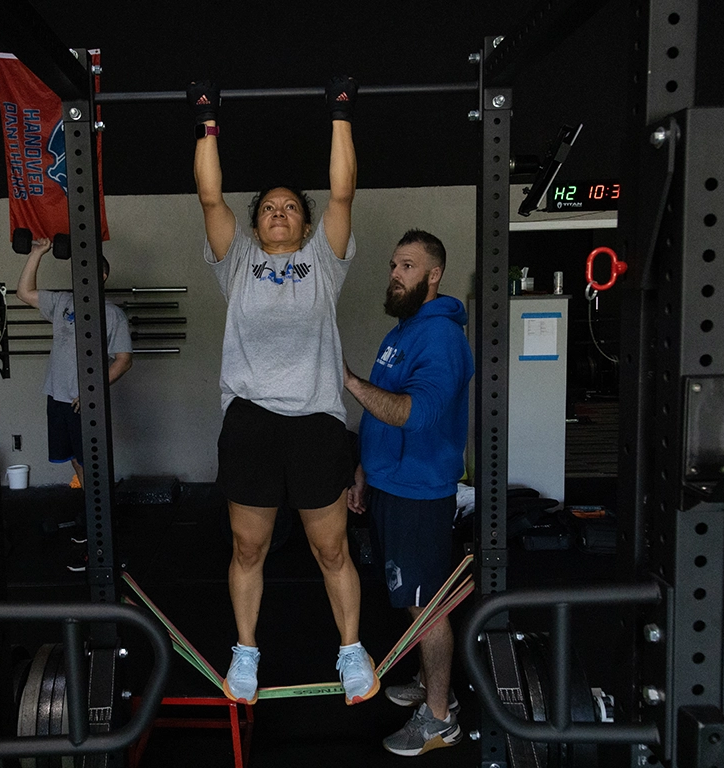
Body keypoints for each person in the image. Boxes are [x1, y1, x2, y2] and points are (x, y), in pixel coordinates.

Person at [189, 76, 377, 706]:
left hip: (316, 422)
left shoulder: (326, 261)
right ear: (256, 223)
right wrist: (207, 118)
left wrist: (340, 113)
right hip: (250, 419)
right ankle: (246, 652)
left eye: (290, 206)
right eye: (268, 207)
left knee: (331, 547)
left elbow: (344, 190)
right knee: (249, 545)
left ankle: (351, 649)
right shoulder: (237, 261)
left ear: (305, 218)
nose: (277, 211)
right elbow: (209, 196)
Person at [345, 229, 474, 756]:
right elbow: (384, 417)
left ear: (433, 274)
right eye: (394, 264)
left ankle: (440, 718)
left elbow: (415, 414)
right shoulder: (402, 331)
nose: (395, 274)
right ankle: (428, 686)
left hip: (419, 492)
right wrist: (362, 470)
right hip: (388, 483)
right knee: (412, 600)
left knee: (428, 609)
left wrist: (348, 381)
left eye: (407, 265)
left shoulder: (442, 338)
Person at [16, 236, 133, 513]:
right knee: (75, 459)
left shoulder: (112, 315)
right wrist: (37, 253)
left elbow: (124, 360)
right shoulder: (62, 303)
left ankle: (101, 516)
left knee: (91, 459)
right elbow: (23, 292)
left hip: (84, 399)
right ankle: (94, 512)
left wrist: (93, 390)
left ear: (101, 276)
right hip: (57, 396)